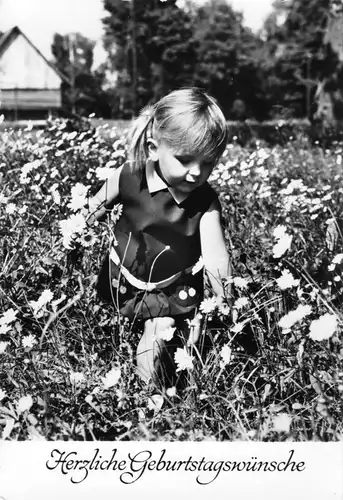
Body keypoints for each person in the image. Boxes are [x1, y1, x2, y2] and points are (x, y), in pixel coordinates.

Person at [87, 87, 231, 389]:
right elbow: (94, 208)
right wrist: (80, 228)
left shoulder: (205, 202)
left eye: (208, 163)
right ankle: (144, 398)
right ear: (154, 148)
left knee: (164, 330)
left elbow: (217, 255)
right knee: (125, 329)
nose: (196, 173)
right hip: (125, 279)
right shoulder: (129, 176)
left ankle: (149, 398)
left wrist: (224, 297)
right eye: (185, 160)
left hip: (174, 288)